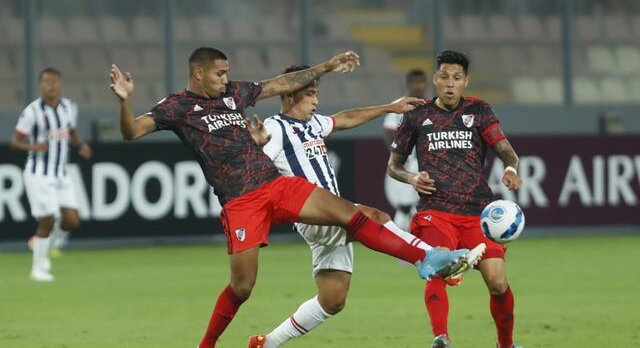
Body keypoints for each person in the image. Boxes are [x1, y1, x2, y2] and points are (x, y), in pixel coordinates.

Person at [110, 47, 476, 348]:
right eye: (220, 73)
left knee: (339, 272)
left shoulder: (235, 94)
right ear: (199, 73)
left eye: (227, 73)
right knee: (242, 285)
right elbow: (131, 132)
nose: (226, 78)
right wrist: (125, 103)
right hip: (241, 201)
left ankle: (425, 259)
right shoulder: (177, 107)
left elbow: (285, 84)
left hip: (275, 186)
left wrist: (330, 66)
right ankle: (206, 345)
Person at [246, 64, 486, 348]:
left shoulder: (312, 123)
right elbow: (253, 169)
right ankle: (429, 258)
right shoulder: (276, 127)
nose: (316, 101)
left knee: (332, 299)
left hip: (333, 214)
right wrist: (255, 145)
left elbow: (345, 118)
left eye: (316, 94)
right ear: (288, 95)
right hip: (312, 215)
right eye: (310, 94)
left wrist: (389, 108)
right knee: (374, 215)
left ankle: (267, 343)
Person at [387, 51, 523, 348]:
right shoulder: (416, 115)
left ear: (465, 82)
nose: (450, 84)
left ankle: (506, 345)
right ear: (435, 79)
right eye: (445, 77)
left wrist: (511, 168)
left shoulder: (480, 110)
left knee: (498, 283)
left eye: (457, 78)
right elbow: (393, 166)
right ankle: (441, 338)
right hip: (436, 210)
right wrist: (411, 177)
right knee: (435, 266)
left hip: (478, 213)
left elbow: (506, 151)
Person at [10, 67, 93, 282]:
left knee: (72, 221)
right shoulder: (32, 112)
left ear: (60, 84)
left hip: (61, 173)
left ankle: (41, 243)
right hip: (39, 173)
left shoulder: (69, 107)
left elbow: (71, 133)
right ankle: (37, 269)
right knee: (47, 218)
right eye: (47, 81)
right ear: (41, 85)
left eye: (55, 81)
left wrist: (81, 145)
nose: (52, 85)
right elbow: (15, 141)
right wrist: (33, 147)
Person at [382, 69, 427, 233]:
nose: (418, 86)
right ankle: (402, 244)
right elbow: (388, 131)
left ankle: (419, 247)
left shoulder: (430, 106)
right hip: (407, 162)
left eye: (421, 82)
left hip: (425, 163)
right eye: (414, 82)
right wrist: (400, 155)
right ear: (408, 84)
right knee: (404, 207)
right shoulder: (399, 105)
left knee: (419, 207)